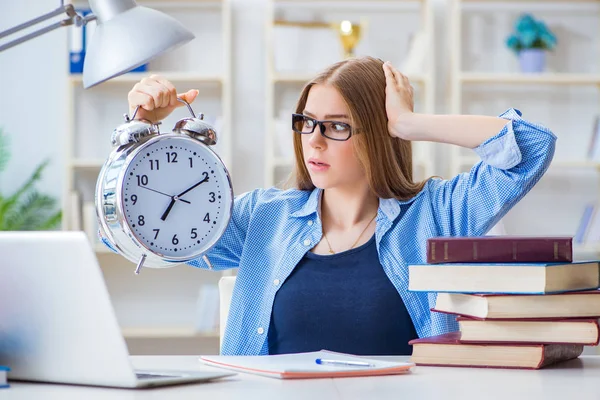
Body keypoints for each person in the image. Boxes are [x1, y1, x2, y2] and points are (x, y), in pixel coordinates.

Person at [124, 56, 556, 356]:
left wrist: (408, 123)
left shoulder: (437, 213)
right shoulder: (264, 218)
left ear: (379, 134)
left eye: (336, 127)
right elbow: (146, 232)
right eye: (307, 122)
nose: (312, 139)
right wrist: (141, 130)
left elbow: (532, 147)